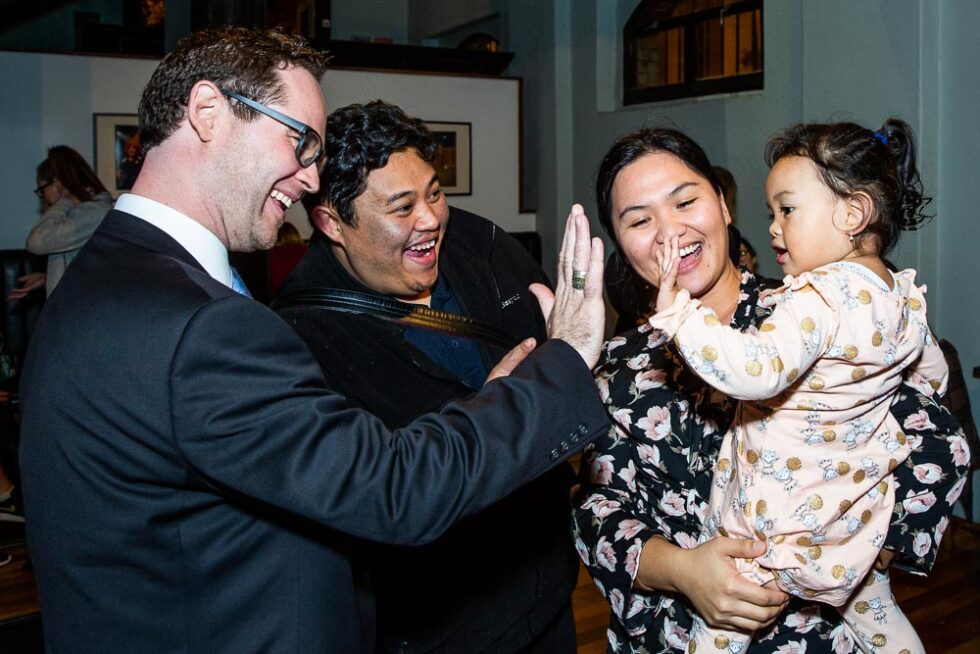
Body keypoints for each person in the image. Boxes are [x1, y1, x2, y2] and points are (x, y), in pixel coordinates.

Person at [19, 27, 611, 653]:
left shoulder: (100, 280)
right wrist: (563, 359)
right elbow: (393, 488)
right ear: (208, 112)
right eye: (300, 142)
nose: (308, 178)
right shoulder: (198, 323)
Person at [572, 127, 970, 653]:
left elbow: (941, 445)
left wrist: (857, 553)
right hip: (670, 632)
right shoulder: (617, 369)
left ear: (722, 203)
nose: (669, 231)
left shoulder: (814, 313)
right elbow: (597, 509)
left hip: (814, 634)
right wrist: (684, 571)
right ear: (622, 244)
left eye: (685, 201)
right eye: (640, 220)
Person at [276, 100, 578, 653]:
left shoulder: (478, 244)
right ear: (330, 223)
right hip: (441, 624)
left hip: (546, 590)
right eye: (402, 206)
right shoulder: (299, 342)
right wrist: (497, 413)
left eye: (435, 192)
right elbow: (375, 503)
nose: (431, 219)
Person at [13, 146, 114, 298]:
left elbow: (37, 242)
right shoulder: (81, 214)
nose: (43, 198)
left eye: (42, 190)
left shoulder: (94, 213)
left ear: (57, 183)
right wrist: (47, 278)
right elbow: (84, 267)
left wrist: (64, 198)